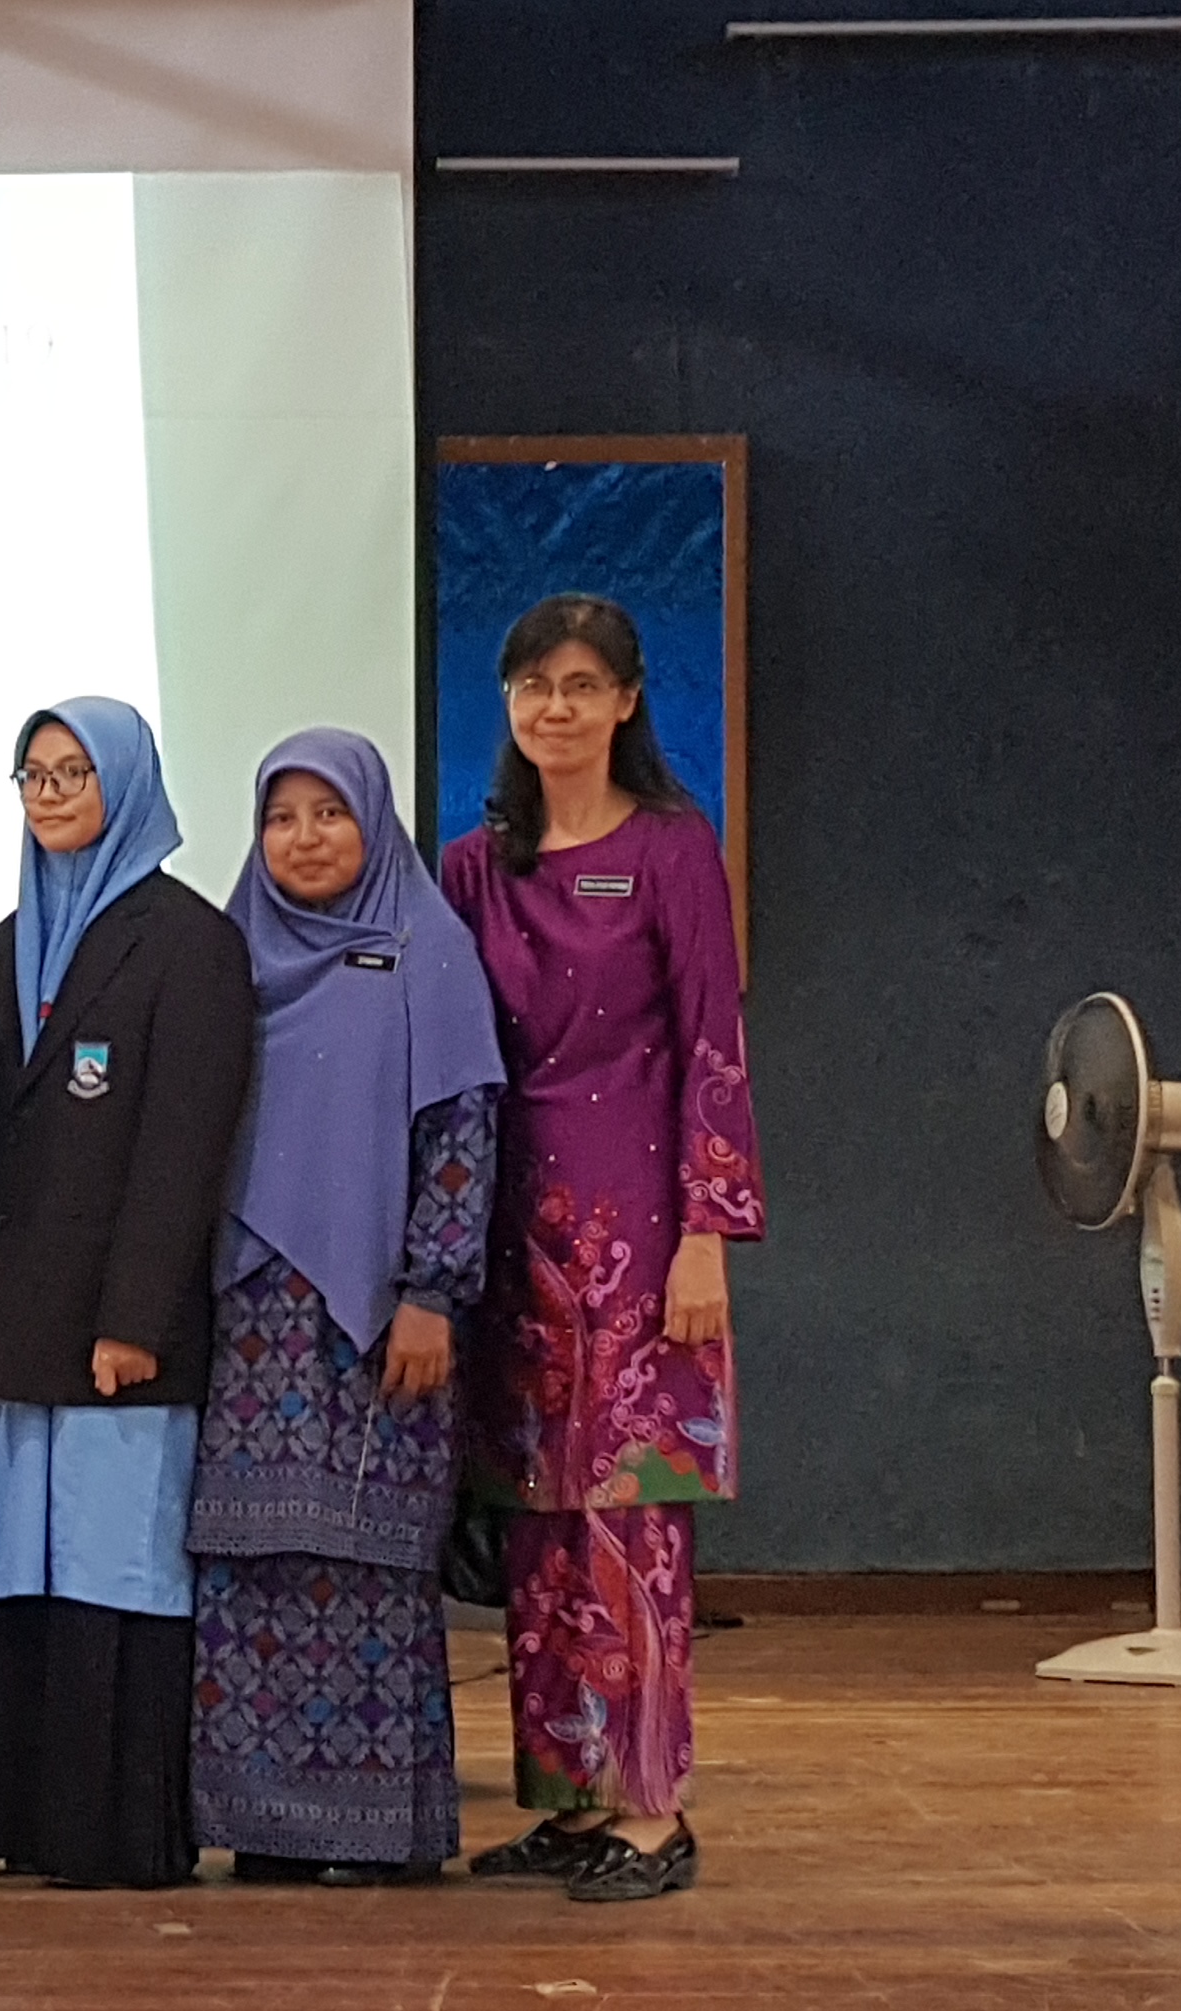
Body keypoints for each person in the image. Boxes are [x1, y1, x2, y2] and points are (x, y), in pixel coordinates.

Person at [437, 593, 765, 1905]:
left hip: (644, 1241)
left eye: (581, 685)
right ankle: (569, 1803)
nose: (555, 708)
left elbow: (714, 1045)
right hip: (512, 1240)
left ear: (628, 701)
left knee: (631, 1523)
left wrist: (709, 1235)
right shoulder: (473, 868)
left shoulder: (675, 850)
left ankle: (651, 1811)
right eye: (534, 686)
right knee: (536, 1531)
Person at [189, 731, 505, 1886]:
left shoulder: (431, 954)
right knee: (248, 1558)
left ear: (373, 821)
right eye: (282, 817)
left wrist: (433, 1291)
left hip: (377, 1321)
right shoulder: (227, 955)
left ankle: (374, 1832)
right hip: (245, 1312)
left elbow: (462, 1135)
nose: (305, 838)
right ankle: (265, 1825)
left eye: (330, 813)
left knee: (365, 1564)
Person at [0, 697, 255, 1891]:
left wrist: (134, 1318)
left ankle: (121, 1833)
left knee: (116, 1572)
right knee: (26, 1573)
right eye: (33, 776)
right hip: (23, 1331)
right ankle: (34, 1825)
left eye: (73, 774)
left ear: (128, 783)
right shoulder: (4, 947)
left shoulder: (190, 943)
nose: (50, 795)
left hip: (122, 1337)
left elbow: (184, 1148)